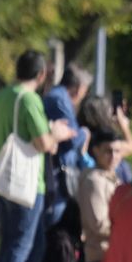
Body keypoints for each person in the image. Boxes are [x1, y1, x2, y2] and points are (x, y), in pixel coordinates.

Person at [0, 50, 74, 262]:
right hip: (26, 184)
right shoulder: (30, 99)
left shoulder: (2, 97)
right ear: (41, 74)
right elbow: (43, 144)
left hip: (4, 180)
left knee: (14, 243)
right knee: (19, 244)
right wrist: (57, 133)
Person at [42, 64, 92, 233]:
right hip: (57, 174)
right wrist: (84, 134)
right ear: (79, 89)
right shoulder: (60, 99)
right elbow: (71, 138)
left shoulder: (57, 96)